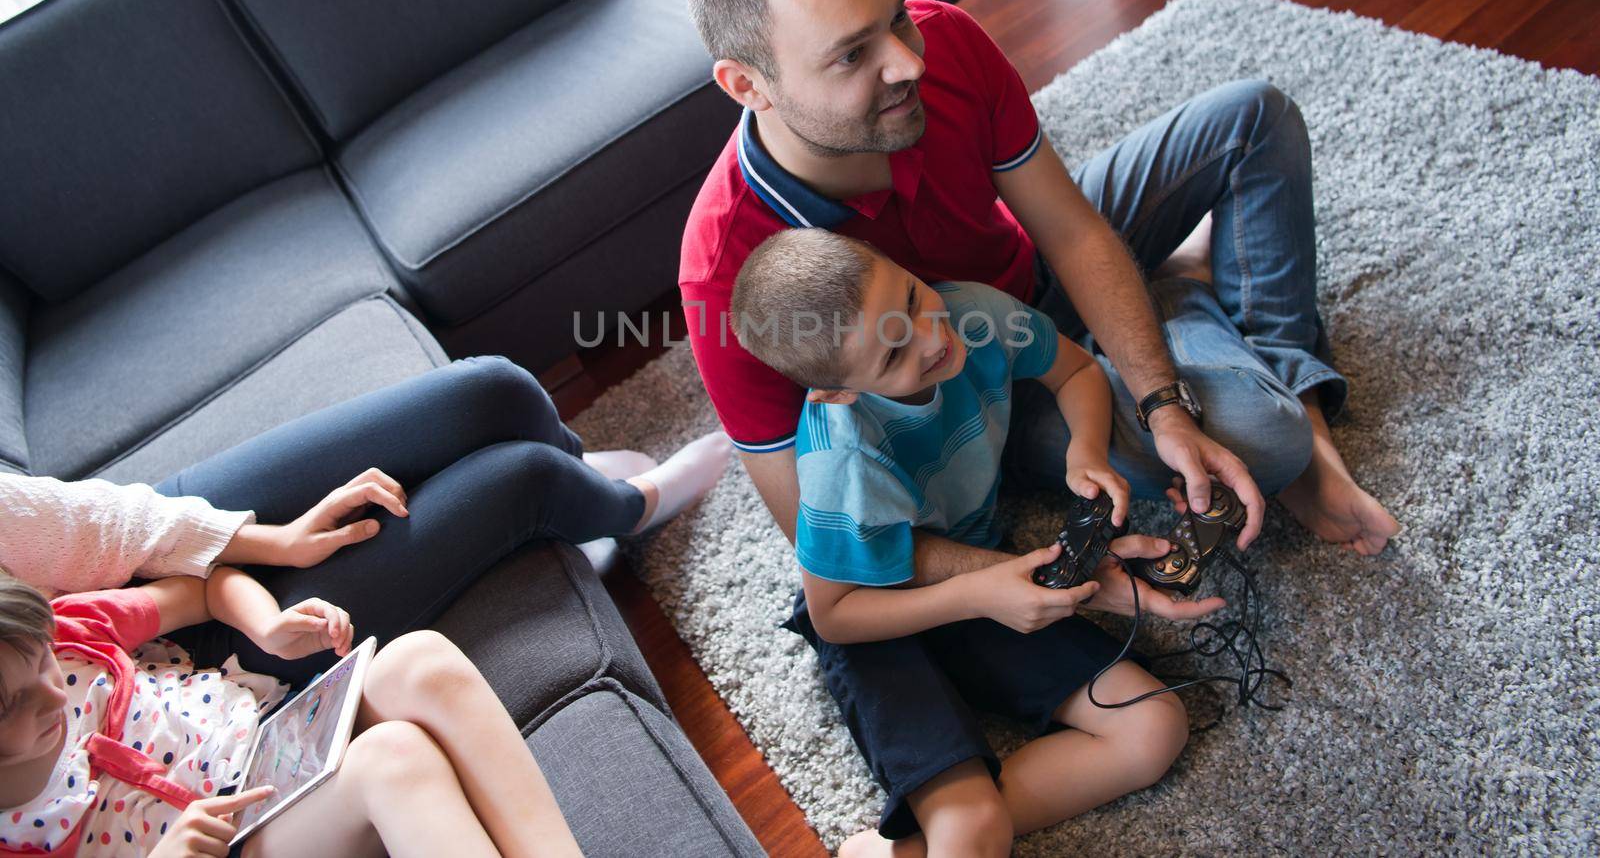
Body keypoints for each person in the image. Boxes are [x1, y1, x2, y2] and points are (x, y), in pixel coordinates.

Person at [678, 0, 1399, 582]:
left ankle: (1276, 386)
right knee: (1266, 438)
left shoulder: (946, 44)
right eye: (851, 54)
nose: (909, 63)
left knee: (1253, 118)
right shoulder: (724, 272)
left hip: (1035, 271)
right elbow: (824, 537)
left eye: (896, 16)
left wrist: (1163, 404)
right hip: (988, 390)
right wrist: (1019, 575)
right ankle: (1196, 315)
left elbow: (1073, 231)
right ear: (748, 85)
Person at [731, 227, 1195, 856]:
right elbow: (832, 615)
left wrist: (1084, 450)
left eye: (914, 299)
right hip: (876, 618)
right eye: (893, 353)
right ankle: (953, 833)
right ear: (837, 392)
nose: (931, 337)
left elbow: (1076, 368)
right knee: (972, 827)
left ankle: (910, 846)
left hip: (977, 583)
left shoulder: (975, 316)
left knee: (1153, 726)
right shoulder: (841, 461)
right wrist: (975, 594)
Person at [1, 356, 732, 684]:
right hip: (213, 672)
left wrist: (273, 542)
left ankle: (578, 478)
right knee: (522, 480)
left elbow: (97, 524)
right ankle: (630, 511)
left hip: (133, 568)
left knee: (495, 392)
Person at [0, 566, 580, 857]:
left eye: (44, 662)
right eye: (11, 705)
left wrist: (267, 627)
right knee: (391, 759)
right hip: (236, 844)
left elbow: (205, 588)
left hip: (277, 742)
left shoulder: (76, 628)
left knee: (418, 661)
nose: (54, 697)